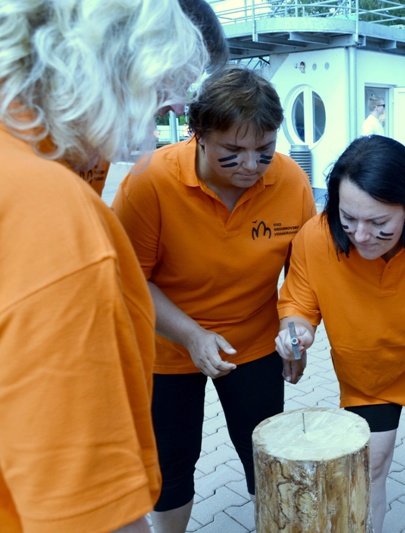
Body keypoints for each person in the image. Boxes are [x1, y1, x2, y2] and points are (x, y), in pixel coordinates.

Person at [0, 1, 206, 532]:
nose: (172, 108)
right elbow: (84, 513)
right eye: (160, 91)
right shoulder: (48, 208)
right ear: (109, 63)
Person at [112, 65, 316, 533]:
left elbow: (304, 271)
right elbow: (129, 280)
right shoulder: (150, 181)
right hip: (166, 348)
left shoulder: (290, 181)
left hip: (254, 344)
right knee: (171, 464)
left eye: (264, 151)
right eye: (232, 153)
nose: (250, 166)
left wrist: (295, 326)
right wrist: (191, 335)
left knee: (267, 458)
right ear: (199, 135)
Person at [275, 135, 405, 533]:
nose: (361, 235)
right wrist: (294, 335)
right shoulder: (315, 238)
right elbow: (297, 307)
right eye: (348, 218)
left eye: (378, 223)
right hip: (366, 372)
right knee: (371, 463)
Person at [74, 0, 229, 198]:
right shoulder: (37, 138)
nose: (179, 108)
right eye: (171, 80)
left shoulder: (94, 138)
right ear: (124, 53)